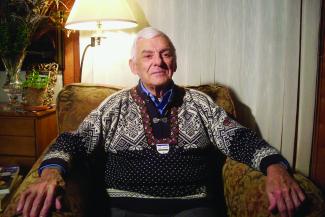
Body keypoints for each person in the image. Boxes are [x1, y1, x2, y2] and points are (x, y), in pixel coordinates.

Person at [17, 27, 305, 217]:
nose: (158, 61)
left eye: (166, 54)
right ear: (134, 66)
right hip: (125, 207)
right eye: (148, 55)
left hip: (194, 207)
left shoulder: (200, 103)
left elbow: (240, 139)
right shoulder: (113, 106)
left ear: (175, 62)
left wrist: (276, 168)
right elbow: (75, 141)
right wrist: (51, 171)